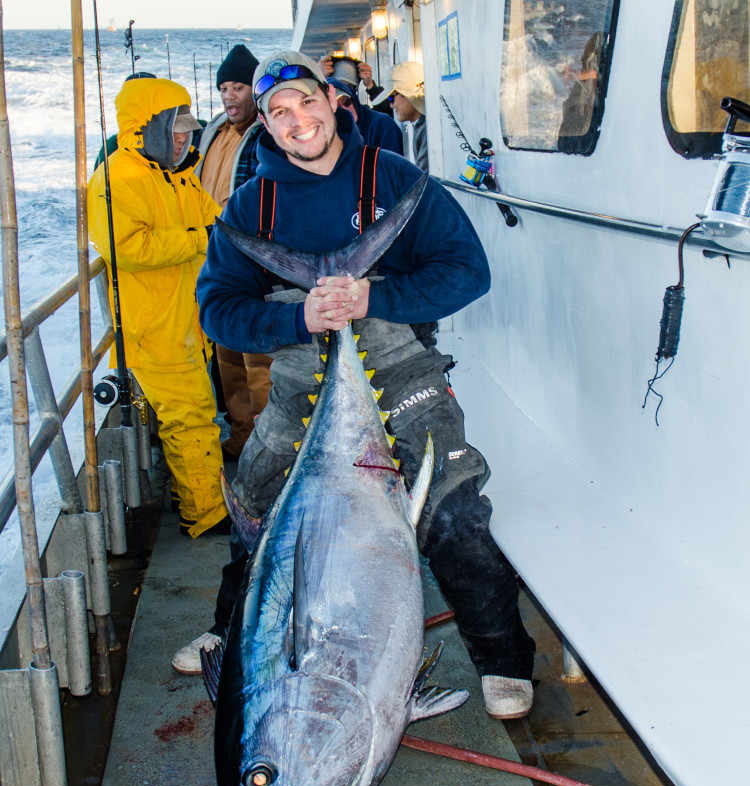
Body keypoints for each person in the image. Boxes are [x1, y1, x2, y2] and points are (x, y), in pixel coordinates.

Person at [183, 49, 536, 718]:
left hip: (400, 367)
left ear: (333, 101)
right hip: (298, 374)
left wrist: (372, 298)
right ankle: (230, 630)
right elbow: (217, 308)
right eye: (279, 113)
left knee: (453, 506)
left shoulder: (397, 181)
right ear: (265, 123)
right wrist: (298, 313)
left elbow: (467, 271)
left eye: (306, 102)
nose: (297, 121)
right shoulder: (249, 209)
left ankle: (503, 657)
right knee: (256, 497)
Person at [87, 77, 229, 539]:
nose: (185, 139)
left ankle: (190, 493)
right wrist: (198, 241)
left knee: (192, 412)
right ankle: (206, 514)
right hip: (154, 325)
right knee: (191, 416)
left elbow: (215, 220)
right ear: (148, 129)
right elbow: (126, 246)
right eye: (176, 131)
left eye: (189, 131)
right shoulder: (116, 178)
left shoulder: (177, 176)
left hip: (186, 316)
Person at [196, 44, 272, 459]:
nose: (229, 96)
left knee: (259, 360)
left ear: (255, 91)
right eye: (223, 87)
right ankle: (242, 435)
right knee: (226, 357)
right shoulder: (212, 133)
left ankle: (270, 445)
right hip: (214, 259)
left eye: (239, 86)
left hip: (254, 262)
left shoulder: (265, 135)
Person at [329, 76, 403, 153]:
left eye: (347, 101)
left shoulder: (382, 124)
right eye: (338, 108)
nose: (345, 109)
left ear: (354, 99)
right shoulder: (330, 137)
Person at [557, 32, 603, 154]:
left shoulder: (592, 98)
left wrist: (579, 76)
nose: (582, 61)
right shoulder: (580, 90)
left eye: (585, 61)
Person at [383, 61, 428, 170]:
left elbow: (423, 181)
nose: (391, 105)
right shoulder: (419, 126)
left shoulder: (428, 130)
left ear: (408, 93)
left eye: (391, 98)